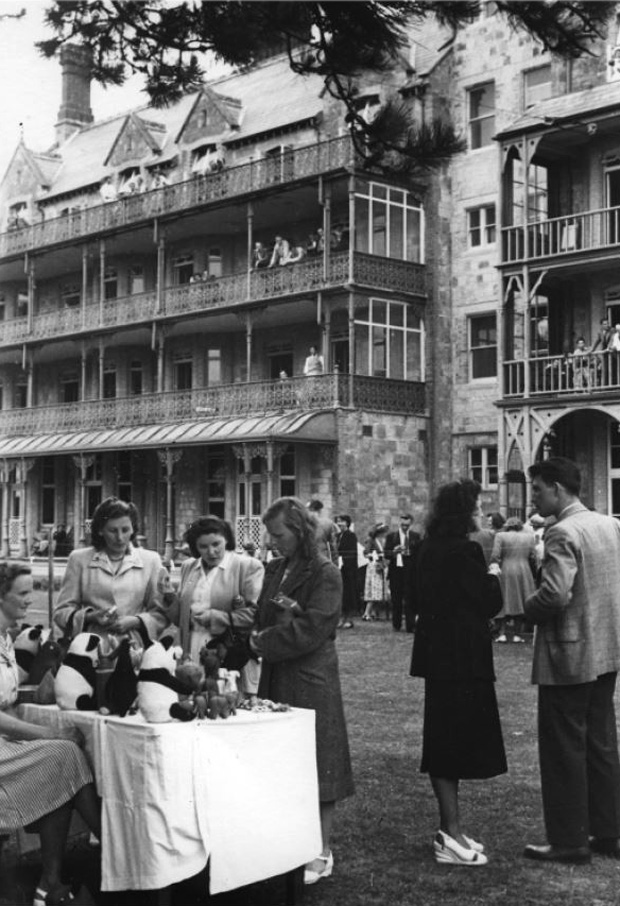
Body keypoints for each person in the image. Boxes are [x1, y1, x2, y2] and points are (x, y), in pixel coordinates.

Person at [249, 497, 354, 885]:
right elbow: (261, 614)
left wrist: (264, 641)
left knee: (320, 764)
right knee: (282, 764)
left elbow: (315, 627)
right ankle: (288, 844)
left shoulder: (325, 572)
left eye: (279, 535)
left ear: (299, 530)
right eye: (271, 535)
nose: (273, 542)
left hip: (311, 680)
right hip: (276, 676)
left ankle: (321, 851)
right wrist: (260, 634)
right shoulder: (275, 568)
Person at [523, 457, 620, 864]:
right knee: (601, 743)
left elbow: (555, 595)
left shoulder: (562, 531)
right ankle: (609, 832)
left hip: (570, 652)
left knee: (563, 747)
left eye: (539, 489)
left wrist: (525, 607)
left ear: (559, 489)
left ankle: (568, 841)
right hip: (606, 649)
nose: (534, 497)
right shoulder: (609, 524)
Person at [410, 479, 506, 866]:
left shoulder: (425, 548)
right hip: (463, 658)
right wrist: (494, 573)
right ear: (464, 512)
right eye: (477, 507)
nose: (481, 514)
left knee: (443, 738)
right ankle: (450, 833)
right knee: (452, 744)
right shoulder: (466, 551)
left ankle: (453, 828)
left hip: (438, 657)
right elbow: (487, 602)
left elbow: (415, 598)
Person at [0, 562, 101, 906]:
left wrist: (48, 667)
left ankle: (51, 885)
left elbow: (11, 690)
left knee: (62, 760)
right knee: (63, 753)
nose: (30, 600)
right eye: (24, 593)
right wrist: (46, 731)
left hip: (4, 747)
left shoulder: (6, 638)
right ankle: (111, 849)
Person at [54, 497, 170, 651]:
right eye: (113, 530)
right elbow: (61, 612)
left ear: (133, 529)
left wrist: (135, 621)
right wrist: (90, 617)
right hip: (89, 648)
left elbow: (161, 614)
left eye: (125, 530)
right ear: (100, 530)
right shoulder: (79, 559)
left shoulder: (151, 560)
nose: (120, 538)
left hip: (135, 647)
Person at [166, 516, 264, 694]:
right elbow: (180, 616)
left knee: (225, 700)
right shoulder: (189, 566)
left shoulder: (247, 566)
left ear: (227, 539)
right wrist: (168, 596)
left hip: (228, 650)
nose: (211, 551)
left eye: (216, 544)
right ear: (195, 547)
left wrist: (217, 617)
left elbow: (257, 614)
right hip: (194, 647)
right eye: (203, 546)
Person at [490, 516, 537, 643]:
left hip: (506, 569)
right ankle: (518, 634)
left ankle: (502, 633)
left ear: (507, 526)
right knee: (521, 601)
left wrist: (495, 565)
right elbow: (533, 556)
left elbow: (495, 554)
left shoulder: (500, 536)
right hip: (524, 570)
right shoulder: (529, 537)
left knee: (505, 600)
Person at [385, 514, 420, 633]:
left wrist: (410, 552)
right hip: (396, 572)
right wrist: (394, 551)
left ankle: (410, 625)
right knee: (396, 600)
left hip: (410, 573)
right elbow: (386, 553)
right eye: (403, 525)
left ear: (411, 524)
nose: (405, 527)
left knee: (410, 599)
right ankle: (397, 624)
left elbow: (419, 554)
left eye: (407, 525)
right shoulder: (391, 537)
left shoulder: (415, 536)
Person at [362, 523, 389, 621]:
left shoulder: (379, 541)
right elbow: (365, 553)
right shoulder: (371, 540)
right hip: (374, 567)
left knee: (377, 590)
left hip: (380, 566)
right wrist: (374, 556)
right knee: (373, 590)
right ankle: (366, 613)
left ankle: (372, 612)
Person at [335, 515, 358, 630]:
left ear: (347, 523)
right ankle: (341, 618)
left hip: (348, 570)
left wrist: (343, 560)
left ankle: (349, 619)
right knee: (341, 595)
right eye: (338, 522)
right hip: (339, 569)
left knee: (349, 594)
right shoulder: (337, 536)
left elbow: (352, 553)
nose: (340, 524)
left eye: (342, 521)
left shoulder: (351, 536)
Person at [307, 499, 339, 565]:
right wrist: (335, 564)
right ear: (320, 510)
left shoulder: (302, 523)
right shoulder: (328, 523)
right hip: (322, 559)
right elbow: (333, 547)